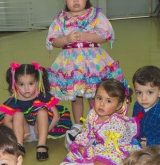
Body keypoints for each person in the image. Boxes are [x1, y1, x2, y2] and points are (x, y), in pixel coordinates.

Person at [46, 0, 129, 138]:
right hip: (71, 63)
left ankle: (97, 121)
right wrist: (66, 39)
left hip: (93, 62)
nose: (76, 1)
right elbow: (53, 41)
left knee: (95, 93)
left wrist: (87, 36)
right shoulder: (61, 19)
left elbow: (105, 35)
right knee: (76, 97)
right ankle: (78, 124)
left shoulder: (95, 15)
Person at [57, 78, 140, 165]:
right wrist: (82, 145)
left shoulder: (117, 124)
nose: (102, 104)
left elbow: (109, 148)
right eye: (99, 98)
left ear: (118, 105)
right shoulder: (92, 114)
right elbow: (87, 131)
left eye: (108, 101)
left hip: (115, 147)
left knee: (108, 159)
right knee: (77, 151)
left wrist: (90, 151)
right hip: (98, 144)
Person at [0, 62, 72, 161]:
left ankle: (41, 145)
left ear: (38, 82)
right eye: (21, 84)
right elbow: (7, 121)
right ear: (15, 84)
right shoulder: (14, 100)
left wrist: (47, 130)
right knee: (18, 114)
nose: (26, 88)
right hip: (24, 133)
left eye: (31, 83)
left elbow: (56, 116)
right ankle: (19, 145)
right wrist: (17, 134)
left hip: (40, 131)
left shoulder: (43, 97)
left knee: (42, 112)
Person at [132, 65, 160, 148]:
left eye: (149, 92)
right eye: (139, 92)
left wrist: (150, 143)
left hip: (158, 152)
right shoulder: (137, 106)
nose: (143, 98)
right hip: (136, 145)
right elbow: (134, 125)